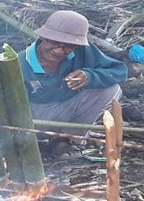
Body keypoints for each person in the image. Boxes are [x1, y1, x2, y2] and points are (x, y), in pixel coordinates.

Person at [18, 10, 127, 154]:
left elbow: (120, 71)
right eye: (54, 43)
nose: (59, 50)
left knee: (111, 90)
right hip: (33, 118)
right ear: (43, 37)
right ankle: (27, 144)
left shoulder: (83, 52)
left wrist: (90, 76)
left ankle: (65, 139)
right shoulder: (21, 62)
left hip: (66, 108)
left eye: (68, 46)